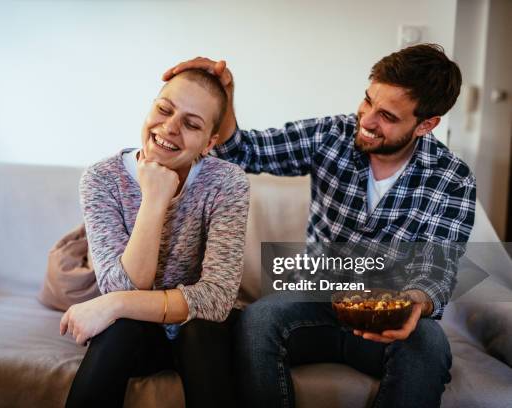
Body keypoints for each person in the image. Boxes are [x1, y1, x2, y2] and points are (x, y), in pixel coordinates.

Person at [164, 44, 476, 407]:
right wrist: (227, 94)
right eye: (367, 100)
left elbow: (435, 269)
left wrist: (412, 303)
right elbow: (242, 152)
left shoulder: (452, 178)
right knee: (258, 320)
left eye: (387, 116)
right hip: (313, 300)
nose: (367, 119)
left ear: (426, 124)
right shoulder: (332, 135)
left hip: (385, 314)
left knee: (429, 343)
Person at [60, 69, 250, 408]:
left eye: (191, 124)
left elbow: (217, 298)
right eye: (164, 110)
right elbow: (121, 284)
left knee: (199, 332)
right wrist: (154, 200)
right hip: (136, 335)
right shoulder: (102, 179)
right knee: (120, 329)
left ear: (209, 143)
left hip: (200, 332)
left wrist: (115, 304)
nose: (170, 127)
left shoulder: (228, 182)